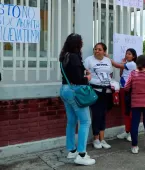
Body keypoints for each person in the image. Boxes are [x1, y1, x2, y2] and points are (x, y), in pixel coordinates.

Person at [59, 33, 95, 165]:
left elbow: (71, 74)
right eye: (81, 42)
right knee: (85, 121)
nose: (83, 44)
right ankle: (81, 154)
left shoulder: (64, 56)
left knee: (72, 121)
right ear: (77, 44)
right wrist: (88, 78)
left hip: (65, 90)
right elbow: (79, 79)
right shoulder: (74, 57)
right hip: (74, 91)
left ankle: (72, 150)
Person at [124, 55, 145, 154]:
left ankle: (134, 146)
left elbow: (126, 87)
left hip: (135, 103)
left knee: (134, 124)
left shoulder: (133, 74)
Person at [84, 43, 116, 149]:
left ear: (104, 51)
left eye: (99, 49)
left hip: (106, 91)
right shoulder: (89, 60)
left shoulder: (107, 60)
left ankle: (102, 139)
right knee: (96, 114)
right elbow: (85, 74)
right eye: (95, 49)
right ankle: (96, 138)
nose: (97, 51)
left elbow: (110, 74)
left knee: (103, 114)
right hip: (95, 90)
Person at [108, 49, 138, 141]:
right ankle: (127, 131)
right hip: (122, 88)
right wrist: (122, 65)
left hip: (128, 90)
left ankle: (131, 133)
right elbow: (121, 74)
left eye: (129, 54)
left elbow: (116, 65)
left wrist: (107, 57)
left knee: (130, 112)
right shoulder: (126, 64)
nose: (127, 55)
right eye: (126, 53)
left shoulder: (132, 64)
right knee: (125, 111)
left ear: (133, 56)